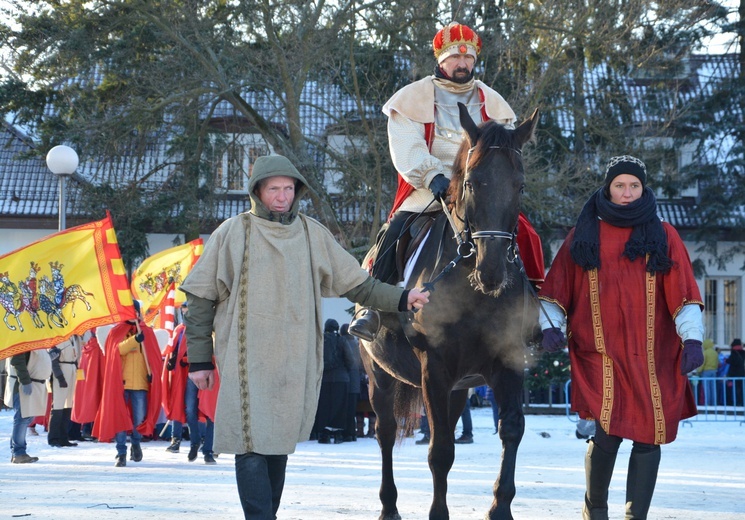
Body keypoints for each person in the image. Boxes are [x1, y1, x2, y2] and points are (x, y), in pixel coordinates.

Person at [179, 154, 430, 520]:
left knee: (276, 441)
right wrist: (200, 360)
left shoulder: (313, 233)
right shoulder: (233, 232)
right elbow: (200, 297)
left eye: (287, 189)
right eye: (273, 189)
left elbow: (358, 284)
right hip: (245, 359)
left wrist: (403, 298)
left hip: (294, 359)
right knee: (250, 442)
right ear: (257, 191)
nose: (281, 196)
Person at [349, 21, 544, 341]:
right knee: (395, 230)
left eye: (468, 58)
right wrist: (432, 175)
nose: (463, 63)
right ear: (440, 59)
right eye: (455, 57)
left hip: (479, 192)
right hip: (429, 188)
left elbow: (504, 155)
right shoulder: (412, 97)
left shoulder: (492, 101)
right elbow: (406, 145)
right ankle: (371, 309)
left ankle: (537, 307)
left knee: (527, 233)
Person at [538, 155, 705, 520]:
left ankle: (635, 516)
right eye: (620, 186)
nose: (627, 193)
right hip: (600, 354)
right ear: (608, 188)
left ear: (643, 189)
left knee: (648, 436)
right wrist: (550, 325)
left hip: (654, 357)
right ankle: (594, 510)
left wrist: (691, 339)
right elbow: (556, 288)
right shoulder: (583, 235)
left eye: (634, 186)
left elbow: (684, 292)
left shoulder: (664, 234)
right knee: (607, 432)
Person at [92, 299, 163, 467]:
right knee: (119, 418)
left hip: (140, 384)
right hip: (120, 383)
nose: (134, 314)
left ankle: (136, 443)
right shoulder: (117, 331)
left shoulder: (147, 332)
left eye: (135, 311)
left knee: (138, 419)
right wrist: (134, 340)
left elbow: (153, 358)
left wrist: (152, 373)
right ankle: (121, 452)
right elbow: (116, 351)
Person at [162, 303, 218, 464]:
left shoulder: (209, 328)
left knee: (210, 413)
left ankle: (208, 450)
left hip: (210, 373)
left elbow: (214, 350)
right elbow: (174, 349)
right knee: (190, 410)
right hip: (190, 376)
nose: (186, 315)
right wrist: (173, 359)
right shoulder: (180, 330)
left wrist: (187, 359)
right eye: (184, 312)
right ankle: (195, 442)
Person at [4, 349, 52, 463]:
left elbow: (32, 361)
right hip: (23, 386)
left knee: (27, 418)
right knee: (22, 418)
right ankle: (18, 453)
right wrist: (25, 382)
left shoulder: (33, 341)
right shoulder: (23, 341)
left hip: (34, 385)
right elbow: (17, 361)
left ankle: (18, 451)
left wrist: (48, 357)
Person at [314, 319, 351, 444]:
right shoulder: (342, 340)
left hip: (324, 378)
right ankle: (337, 434)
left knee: (324, 406)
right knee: (339, 406)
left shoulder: (320, 340)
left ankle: (323, 434)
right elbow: (350, 360)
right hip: (341, 378)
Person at [47, 335, 83, 447]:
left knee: (68, 406)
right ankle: (53, 438)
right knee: (58, 405)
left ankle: (63, 437)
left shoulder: (75, 339)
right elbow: (53, 361)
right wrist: (60, 377)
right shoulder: (57, 339)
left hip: (72, 370)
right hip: (62, 372)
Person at [340, 323, 363, 442]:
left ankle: (347, 433)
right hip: (356, 383)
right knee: (352, 409)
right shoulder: (356, 343)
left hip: (346, 382)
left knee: (345, 409)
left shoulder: (343, 343)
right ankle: (352, 433)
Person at [696, 339, 719, 405]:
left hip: (706, 372)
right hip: (714, 371)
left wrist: (699, 371)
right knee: (713, 387)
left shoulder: (705, 353)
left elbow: (702, 363)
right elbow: (718, 362)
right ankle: (714, 403)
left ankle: (707, 403)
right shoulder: (715, 353)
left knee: (706, 388)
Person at [726, 338, 744, 406]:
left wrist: (726, 360)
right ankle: (741, 402)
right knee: (742, 389)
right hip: (742, 374)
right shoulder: (743, 352)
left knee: (735, 389)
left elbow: (731, 362)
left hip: (734, 374)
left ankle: (736, 402)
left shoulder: (733, 352)